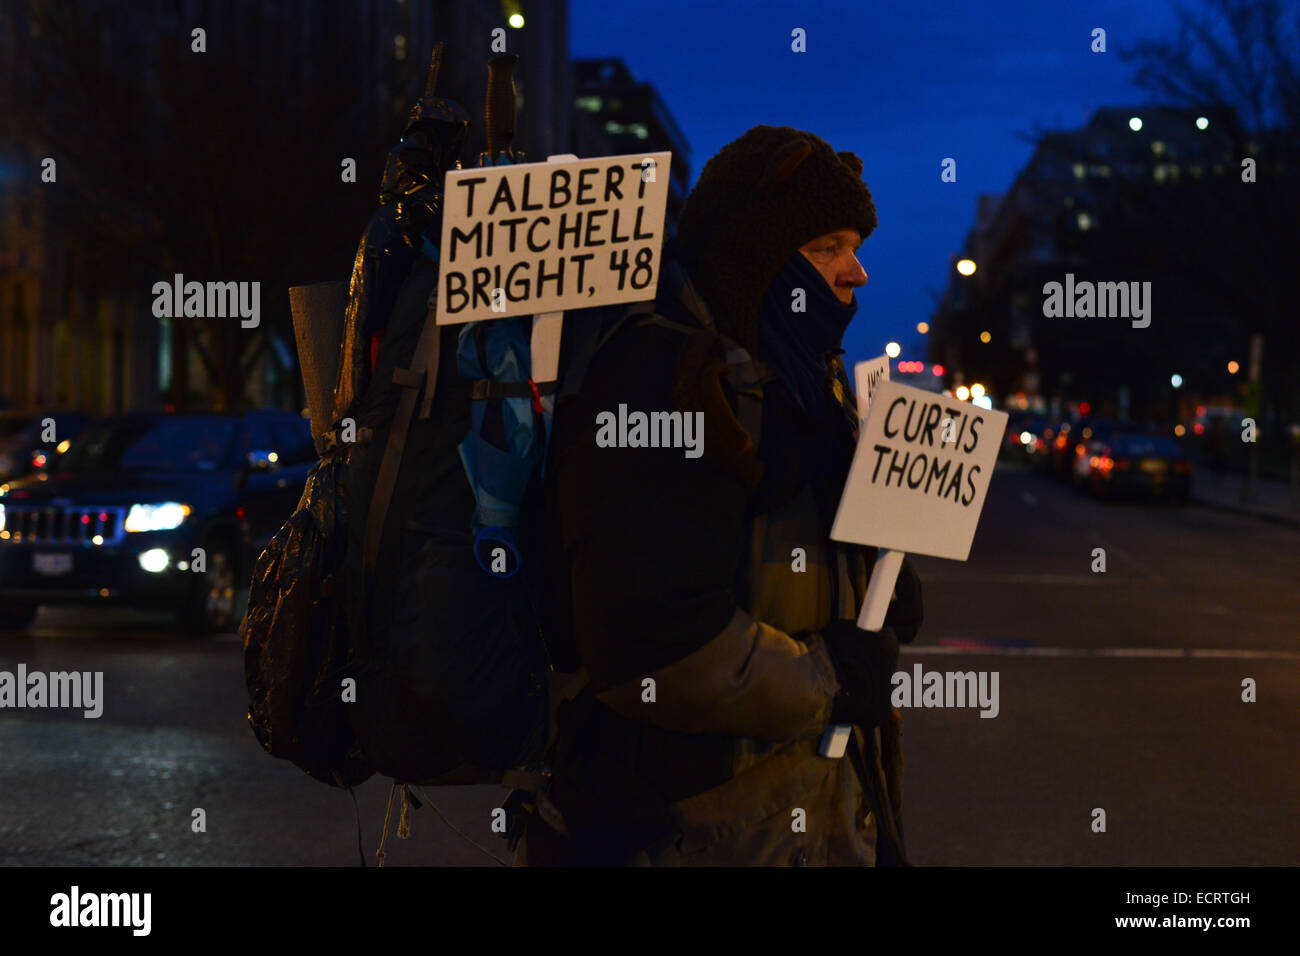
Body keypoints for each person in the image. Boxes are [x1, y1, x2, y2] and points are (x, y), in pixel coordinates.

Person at [520, 125, 923, 866]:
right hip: (684, 833)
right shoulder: (659, 378)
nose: (857, 272)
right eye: (828, 247)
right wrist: (831, 676)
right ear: (757, 256)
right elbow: (656, 648)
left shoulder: (800, 382)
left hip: (795, 823)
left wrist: (868, 581)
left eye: (855, 245)